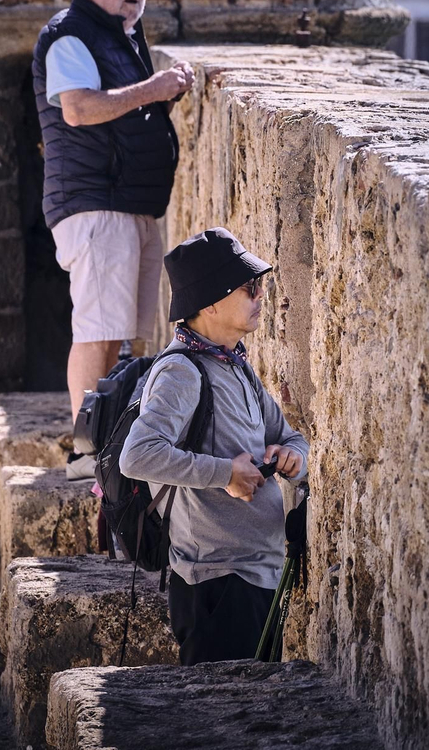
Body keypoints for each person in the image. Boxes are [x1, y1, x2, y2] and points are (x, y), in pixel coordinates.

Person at [118, 228, 309, 665]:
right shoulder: (182, 372)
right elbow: (138, 455)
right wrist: (225, 474)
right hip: (217, 584)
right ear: (209, 303)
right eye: (248, 287)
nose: (260, 295)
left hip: (256, 576)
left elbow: (292, 438)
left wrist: (293, 458)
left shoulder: (235, 365)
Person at [32, 0, 197, 420]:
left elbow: (123, 112)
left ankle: (111, 441)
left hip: (129, 202)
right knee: (99, 332)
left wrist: (162, 97)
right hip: (95, 201)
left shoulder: (120, 35)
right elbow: (78, 108)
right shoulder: (71, 34)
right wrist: (153, 88)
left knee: (128, 336)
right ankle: (86, 447)